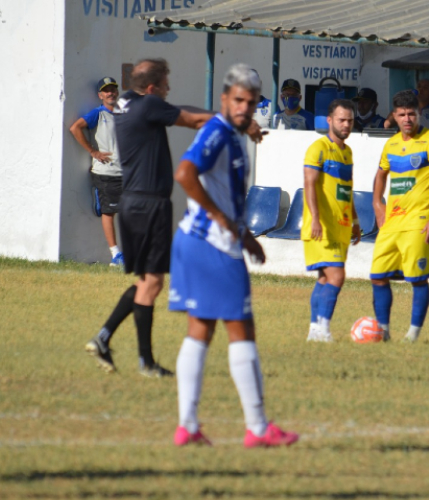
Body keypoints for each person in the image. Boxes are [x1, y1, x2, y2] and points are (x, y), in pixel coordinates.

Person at [169, 63, 298, 448]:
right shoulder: (218, 132)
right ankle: (258, 429)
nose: (244, 107)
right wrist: (223, 221)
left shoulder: (231, 132)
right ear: (224, 99)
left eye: (251, 102)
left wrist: (244, 234)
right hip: (212, 245)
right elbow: (185, 173)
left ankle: (187, 427)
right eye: (237, 100)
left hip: (197, 241)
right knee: (241, 331)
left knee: (200, 331)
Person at [84, 59, 214, 377]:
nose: (169, 91)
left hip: (132, 203)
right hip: (149, 206)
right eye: (166, 85)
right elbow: (191, 118)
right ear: (153, 88)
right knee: (153, 283)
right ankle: (146, 363)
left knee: (145, 282)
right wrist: (231, 117)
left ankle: (103, 338)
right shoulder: (148, 106)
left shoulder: (126, 102)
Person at [370, 90, 429, 343]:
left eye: (411, 114)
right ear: (394, 116)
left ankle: (413, 334)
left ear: (419, 114)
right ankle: (382, 330)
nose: (407, 119)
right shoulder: (391, 144)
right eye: (402, 114)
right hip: (392, 222)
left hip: (419, 221)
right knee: (378, 276)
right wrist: (376, 203)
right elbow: (381, 173)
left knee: (417, 279)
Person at [303, 99, 362, 342]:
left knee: (325, 279)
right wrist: (315, 218)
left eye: (349, 120)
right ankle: (324, 329)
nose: (346, 125)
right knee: (337, 277)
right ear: (330, 121)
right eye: (341, 120)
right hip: (322, 227)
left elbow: (346, 189)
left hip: (341, 226)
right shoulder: (318, 148)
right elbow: (309, 183)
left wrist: (356, 220)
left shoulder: (347, 152)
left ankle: (314, 330)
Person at [69, 76, 125, 267]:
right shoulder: (98, 114)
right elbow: (75, 128)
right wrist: (93, 152)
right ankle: (116, 256)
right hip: (105, 173)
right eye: (106, 90)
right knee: (109, 212)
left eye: (113, 89)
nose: (111, 93)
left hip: (125, 172)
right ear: (100, 95)